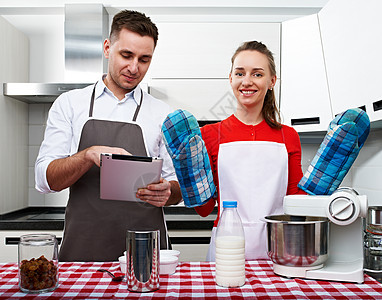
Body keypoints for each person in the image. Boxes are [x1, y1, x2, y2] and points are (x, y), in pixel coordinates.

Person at [35, 10, 182, 262]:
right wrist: (88, 155)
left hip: (145, 252)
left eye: (144, 59)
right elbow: (46, 180)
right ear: (107, 48)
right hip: (84, 248)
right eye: (126, 55)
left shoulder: (164, 114)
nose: (134, 67)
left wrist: (168, 191)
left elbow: (177, 187)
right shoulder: (69, 104)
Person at [194, 41, 305, 261]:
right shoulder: (209, 134)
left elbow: (296, 201)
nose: (247, 81)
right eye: (240, 73)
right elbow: (204, 208)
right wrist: (189, 172)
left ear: (272, 81)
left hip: (277, 246)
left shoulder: (288, 136)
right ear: (231, 79)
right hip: (226, 248)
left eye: (257, 74)